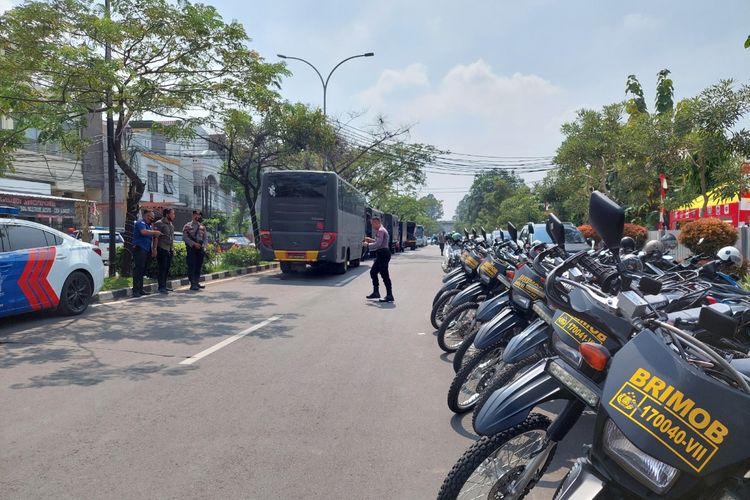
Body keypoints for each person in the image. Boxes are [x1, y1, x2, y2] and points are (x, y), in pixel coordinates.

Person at [363, 216, 394, 302]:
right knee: (373, 272)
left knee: (384, 274)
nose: (372, 226)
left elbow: (379, 244)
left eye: (372, 224)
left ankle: (389, 295)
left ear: (377, 222)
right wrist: (371, 240)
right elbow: (379, 242)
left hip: (383, 253)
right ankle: (376, 292)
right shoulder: (381, 230)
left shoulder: (380, 230)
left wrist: (367, 245)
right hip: (381, 253)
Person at [132, 208, 161, 297]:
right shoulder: (140, 223)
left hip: (146, 250)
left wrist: (154, 249)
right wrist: (155, 232)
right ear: (146, 216)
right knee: (138, 270)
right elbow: (143, 232)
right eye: (151, 216)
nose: (153, 218)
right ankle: (135, 290)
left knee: (143, 270)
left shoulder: (149, 226)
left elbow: (153, 236)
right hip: (139, 249)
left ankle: (140, 289)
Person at [183, 209, 207, 291]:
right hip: (191, 248)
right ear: (193, 215)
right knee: (192, 265)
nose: (198, 216)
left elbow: (205, 239)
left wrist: (203, 246)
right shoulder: (187, 226)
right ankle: (192, 283)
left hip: (200, 249)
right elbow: (185, 238)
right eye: (196, 214)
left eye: (199, 215)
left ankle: (196, 282)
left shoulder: (202, 227)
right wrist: (194, 244)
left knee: (198, 266)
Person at [153, 208, 175, 294]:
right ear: (167, 215)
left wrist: (172, 248)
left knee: (166, 268)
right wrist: (154, 249)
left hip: (169, 249)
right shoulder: (159, 223)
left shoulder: (171, 225)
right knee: (162, 268)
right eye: (172, 214)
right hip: (162, 248)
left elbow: (171, 238)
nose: (174, 216)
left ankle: (164, 286)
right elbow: (156, 237)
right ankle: (161, 287)